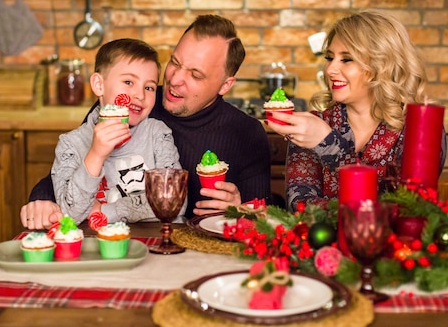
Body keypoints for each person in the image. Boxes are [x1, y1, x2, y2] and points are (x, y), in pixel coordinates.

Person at [22, 15, 272, 230]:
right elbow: (76, 161)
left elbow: (268, 219)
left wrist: (240, 211)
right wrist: (41, 198)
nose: (175, 79)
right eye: (175, 63)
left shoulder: (246, 133)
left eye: (195, 74)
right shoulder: (132, 106)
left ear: (225, 85)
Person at [266, 10, 447, 211]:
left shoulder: (418, 129)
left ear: (382, 65)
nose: (330, 70)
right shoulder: (313, 126)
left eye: (346, 59)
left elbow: (407, 210)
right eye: (329, 57)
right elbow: (299, 206)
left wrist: (328, 145)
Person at [52, 38, 183, 225]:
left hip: (156, 244)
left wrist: (106, 212)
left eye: (149, 87)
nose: (140, 95)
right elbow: (69, 215)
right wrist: (96, 155)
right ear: (99, 85)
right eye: (129, 82)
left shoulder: (157, 134)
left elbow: (174, 201)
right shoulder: (71, 144)